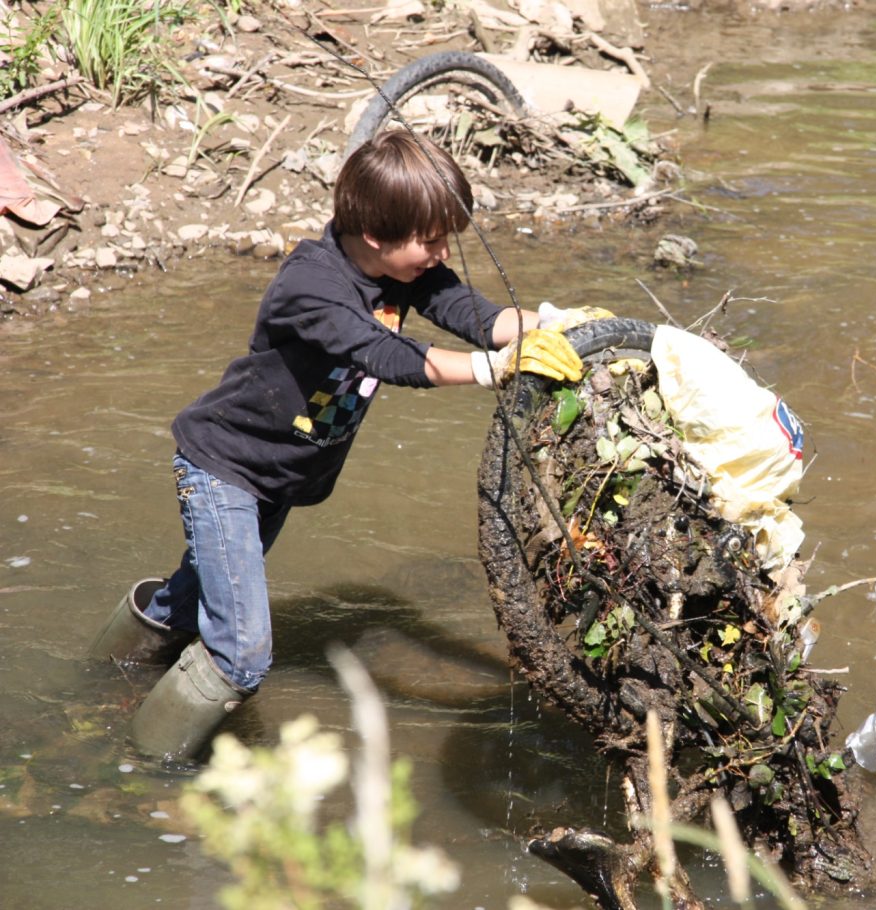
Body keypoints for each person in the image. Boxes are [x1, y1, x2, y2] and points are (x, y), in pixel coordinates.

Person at [89, 129, 598, 763]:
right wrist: (492, 369)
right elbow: (388, 354)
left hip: (279, 476)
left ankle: (98, 682)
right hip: (225, 469)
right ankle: (142, 763)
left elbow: (477, 315)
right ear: (378, 235)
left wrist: (557, 322)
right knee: (242, 655)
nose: (442, 254)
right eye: (432, 241)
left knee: (192, 602)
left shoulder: (404, 269)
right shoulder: (311, 287)